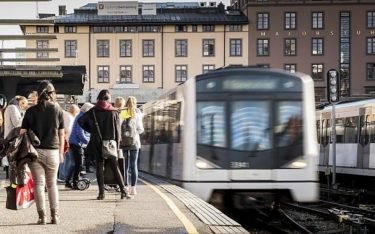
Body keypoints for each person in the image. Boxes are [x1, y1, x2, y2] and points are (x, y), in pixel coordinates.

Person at [20, 81, 64, 225]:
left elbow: (22, 133)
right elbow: (61, 134)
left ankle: (42, 217)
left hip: (35, 152)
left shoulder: (30, 111)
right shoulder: (58, 109)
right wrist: (61, 153)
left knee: (39, 184)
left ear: (38, 94)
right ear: (52, 94)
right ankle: (55, 216)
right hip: (53, 151)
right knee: (52, 184)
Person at [78, 89, 127, 200]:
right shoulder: (114, 112)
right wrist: (117, 144)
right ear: (109, 99)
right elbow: (118, 131)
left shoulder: (94, 111)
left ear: (98, 98)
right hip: (111, 143)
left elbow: (80, 121)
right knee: (115, 167)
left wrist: (92, 130)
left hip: (97, 142)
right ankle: (123, 191)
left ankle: (101, 193)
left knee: (100, 167)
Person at [65, 102, 94, 189]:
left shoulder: (80, 116)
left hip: (75, 142)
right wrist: (87, 141)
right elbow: (80, 132)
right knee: (78, 163)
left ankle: (69, 181)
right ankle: (75, 181)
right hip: (77, 143)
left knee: (76, 163)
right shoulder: (82, 117)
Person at [120, 96, 144, 196]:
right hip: (135, 143)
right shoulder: (137, 114)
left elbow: (118, 126)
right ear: (135, 103)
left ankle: (125, 186)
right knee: (133, 165)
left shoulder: (122, 113)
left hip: (123, 143)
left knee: (124, 165)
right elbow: (141, 129)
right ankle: (133, 189)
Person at [3, 95, 28, 179]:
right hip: (13, 136)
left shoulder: (10, 107)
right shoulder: (13, 108)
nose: (24, 106)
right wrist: (24, 116)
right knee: (12, 156)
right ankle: (12, 176)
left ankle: (9, 174)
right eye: (24, 104)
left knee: (10, 156)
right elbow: (16, 123)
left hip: (9, 135)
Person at [58, 104, 79, 182]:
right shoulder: (70, 117)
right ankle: (64, 176)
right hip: (68, 140)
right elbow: (69, 129)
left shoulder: (66, 115)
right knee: (68, 159)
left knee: (64, 158)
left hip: (63, 139)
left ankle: (62, 175)